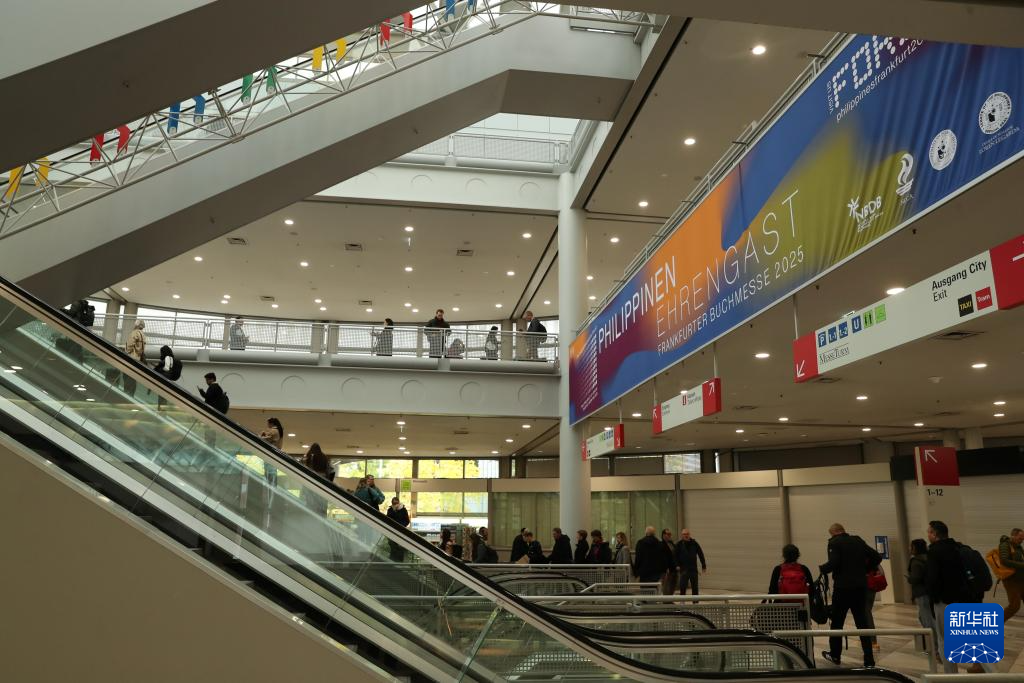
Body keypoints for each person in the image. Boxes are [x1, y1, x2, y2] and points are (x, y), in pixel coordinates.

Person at [819, 522, 881, 668]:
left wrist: (823, 569)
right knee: (862, 623)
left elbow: (834, 562)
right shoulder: (858, 540)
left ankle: (835, 655)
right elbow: (876, 557)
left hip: (843, 589)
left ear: (834, 532)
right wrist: (865, 569)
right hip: (860, 588)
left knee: (837, 622)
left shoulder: (834, 542)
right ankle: (869, 660)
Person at [926, 520, 973, 674]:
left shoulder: (934, 551)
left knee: (944, 640)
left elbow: (933, 579)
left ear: (935, 534)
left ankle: (951, 675)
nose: (928, 535)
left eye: (929, 532)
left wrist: (933, 599)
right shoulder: (957, 548)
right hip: (960, 599)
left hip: (943, 601)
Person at [907, 539, 935, 654]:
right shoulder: (928, 558)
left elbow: (915, 578)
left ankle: (933, 647)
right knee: (924, 617)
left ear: (915, 548)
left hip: (921, 593)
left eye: (911, 546)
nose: (910, 549)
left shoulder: (916, 561)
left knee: (927, 620)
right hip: (929, 592)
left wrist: (909, 579)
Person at [999, 527, 1024, 621]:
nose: (1022, 540)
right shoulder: (1004, 545)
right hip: (1011, 580)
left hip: (1021, 579)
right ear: (1013, 536)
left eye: (1023, 539)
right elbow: (1004, 560)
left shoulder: (1018, 546)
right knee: (1014, 606)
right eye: (1020, 538)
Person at [677, 528, 708, 595]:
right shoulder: (679, 544)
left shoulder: (694, 543)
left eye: (687, 534)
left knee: (695, 588)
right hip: (683, 569)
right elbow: (675, 556)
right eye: (684, 534)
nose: (686, 535)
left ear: (689, 534)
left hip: (693, 570)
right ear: (682, 535)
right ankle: (682, 600)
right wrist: (677, 565)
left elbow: (700, 554)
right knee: (682, 587)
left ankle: (695, 601)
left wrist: (703, 565)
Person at [123, 320, 146, 396]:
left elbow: (129, 345)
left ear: (136, 325)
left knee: (127, 378)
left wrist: (126, 353)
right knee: (133, 379)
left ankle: (126, 394)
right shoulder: (143, 334)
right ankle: (131, 394)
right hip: (138, 359)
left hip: (131, 358)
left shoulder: (135, 333)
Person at [386, 497, 411, 562]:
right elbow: (387, 519)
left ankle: (399, 560)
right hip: (392, 531)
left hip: (400, 530)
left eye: (396, 503)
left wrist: (401, 526)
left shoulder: (403, 510)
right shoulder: (390, 510)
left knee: (400, 545)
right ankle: (392, 560)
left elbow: (407, 520)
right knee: (393, 546)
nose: (395, 505)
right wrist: (394, 511)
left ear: (399, 503)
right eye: (394, 503)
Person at [661, 529, 679, 595]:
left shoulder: (672, 544)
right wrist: (666, 568)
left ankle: (670, 598)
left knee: (673, 585)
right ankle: (666, 599)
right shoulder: (661, 545)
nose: (670, 536)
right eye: (668, 534)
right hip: (667, 569)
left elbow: (675, 555)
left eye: (670, 534)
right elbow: (663, 558)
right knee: (666, 586)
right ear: (663, 535)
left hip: (674, 568)